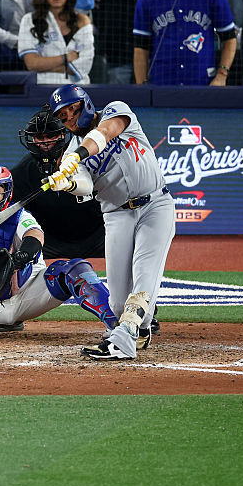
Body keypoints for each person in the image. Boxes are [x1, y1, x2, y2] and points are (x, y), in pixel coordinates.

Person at [0, 163, 129, 344]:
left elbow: (35, 237)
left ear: (5, 191)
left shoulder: (18, 216)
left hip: (29, 292)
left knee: (73, 269)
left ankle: (116, 324)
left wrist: (19, 258)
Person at [43, 84, 175, 360]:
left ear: (86, 104)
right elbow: (83, 184)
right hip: (117, 215)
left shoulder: (115, 110)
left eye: (72, 110)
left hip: (155, 204)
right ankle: (140, 328)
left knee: (144, 272)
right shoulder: (69, 155)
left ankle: (124, 341)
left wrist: (78, 155)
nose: (69, 119)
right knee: (116, 303)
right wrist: (66, 181)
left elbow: (104, 132)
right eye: (63, 116)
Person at [12, 107, 104, 258]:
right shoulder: (22, 172)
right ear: (32, 139)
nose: (45, 142)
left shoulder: (88, 158)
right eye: (39, 137)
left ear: (63, 135)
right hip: (50, 243)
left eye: (51, 136)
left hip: (97, 237)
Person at [17, 0, 94, 84]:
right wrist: (66, 58)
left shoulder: (82, 21)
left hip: (77, 90)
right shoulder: (29, 20)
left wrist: (45, 65)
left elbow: (85, 65)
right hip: (43, 87)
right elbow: (32, 64)